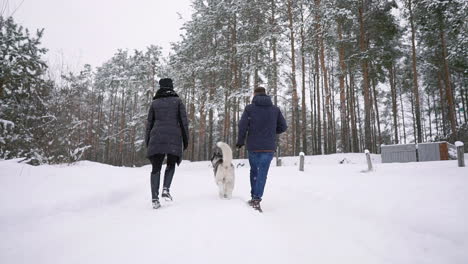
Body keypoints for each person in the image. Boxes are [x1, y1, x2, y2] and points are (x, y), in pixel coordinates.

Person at [236, 87, 287, 212]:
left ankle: (255, 197)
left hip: (253, 146)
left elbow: (242, 126)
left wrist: (240, 142)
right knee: (262, 173)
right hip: (268, 147)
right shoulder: (275, 110)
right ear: (266, 94)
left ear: (255, 94)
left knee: (254, 171)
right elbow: (283, 127)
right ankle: (256, 198)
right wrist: (271, 132)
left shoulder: (249, 109)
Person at [146, 78, 189, 209]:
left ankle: (154, 198)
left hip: (156, 136)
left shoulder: (154, 103)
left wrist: (148, 141)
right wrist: (185, 140)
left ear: (160, 87)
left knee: (156, 168)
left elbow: (149, 124)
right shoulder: (177, 101)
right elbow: (184, 122)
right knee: (171, 163)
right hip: (173, 137)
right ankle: (166, 189)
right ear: (171, 87)